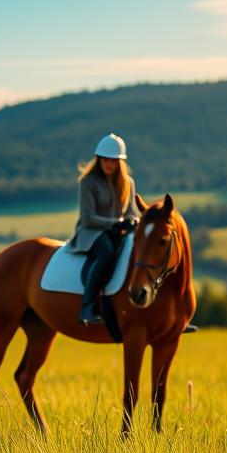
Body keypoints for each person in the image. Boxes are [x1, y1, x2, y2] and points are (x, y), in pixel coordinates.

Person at [65, 133, 141, 325]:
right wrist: (115, 223)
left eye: (113, 160)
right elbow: (88, 218)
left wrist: (132, 221)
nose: (109, 164)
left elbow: (133, 211)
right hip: (91, 233)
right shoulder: (88, 182)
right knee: (106, 253)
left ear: (120, 162)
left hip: (119, 233)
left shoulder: (128, 183)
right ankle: (87, 306)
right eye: (105, 159)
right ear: (98, 159)